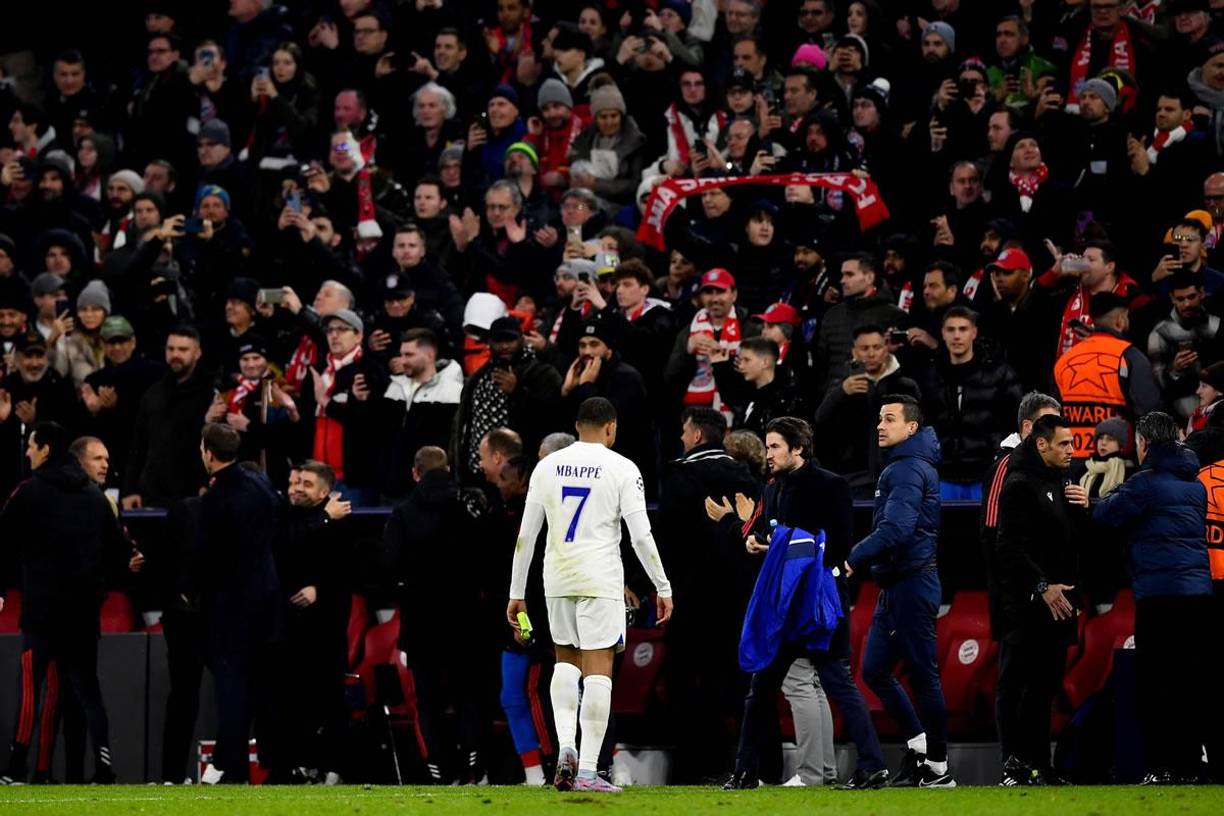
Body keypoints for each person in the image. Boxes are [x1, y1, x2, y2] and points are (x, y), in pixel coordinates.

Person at [506, 397, 673, 793]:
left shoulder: (546, 467)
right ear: (611, 427)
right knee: (599, 669)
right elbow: (640, 536)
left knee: (565, 660)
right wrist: (662, 586)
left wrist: (516, 592)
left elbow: (526, 536)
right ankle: (586, 771)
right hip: (600, 578)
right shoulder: (622, 468)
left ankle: (565, 747)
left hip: (557, 578)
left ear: (577, 425)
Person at [720, 416, 887, 791]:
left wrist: (780, 543)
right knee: (761, 687)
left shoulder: (830, 485)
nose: (768, 454)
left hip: (818, 602)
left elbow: (839, 544)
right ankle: (745, 771)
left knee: (837, 681)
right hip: (784, 604)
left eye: (775, 446)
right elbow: (771, 535)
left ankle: (874, 765)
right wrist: (756, 541)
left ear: (798, 448)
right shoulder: (773, 488)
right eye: (767, 446)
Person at [0, 422, 133, 785]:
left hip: (42, 610)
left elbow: (3, 540)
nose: (28, 452)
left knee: (31, 685)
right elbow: (118, 549)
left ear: (44, 448)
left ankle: (16, 767)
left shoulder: (29, 491)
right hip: (82, 614)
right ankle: (76, 767)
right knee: (79, 690)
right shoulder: (95, 497)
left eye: (31, 446)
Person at [1093, 411, 1212, 785]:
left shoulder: (1145, 484)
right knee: (1189, 682)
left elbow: (1106, 515)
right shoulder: (1195, 487)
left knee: (1156, 682)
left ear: (1144, 444)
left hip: (1158, 596)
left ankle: (1160, 767)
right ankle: (1189, 766)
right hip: (1196, 595)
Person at [847, 395, 954, 788]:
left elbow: (897, 529)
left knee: (923, 675)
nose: (880, 425)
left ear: (911, 428)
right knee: (875, 669)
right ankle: (921, 746)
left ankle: (939, 768)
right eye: (879, 418)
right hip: (896, 582)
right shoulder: (902, 465)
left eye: (889, 419)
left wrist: (852, 558)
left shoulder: (907, 468)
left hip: (912, 581)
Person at [658, 405, 759, 784]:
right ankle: (746, 766)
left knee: (687, 684)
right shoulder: (747, 478)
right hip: (737, 599)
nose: (682, 438)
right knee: (736, 684)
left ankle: (692, 769)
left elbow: (666, 541)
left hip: (690, 598)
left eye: (685, 431)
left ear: (697, 435)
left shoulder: (679, 477)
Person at [382, 446, 487, 785]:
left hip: (421, 622)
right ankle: (475, 766)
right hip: (467, 621)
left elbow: (391, 565)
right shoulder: (470, 507)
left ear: (416, 472)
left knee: (428, 702)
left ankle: (440, 769)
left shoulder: (403, 513)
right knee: (469, 695)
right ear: (449, 469)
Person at [993, 415, 1089, 786]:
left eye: (1071, 443)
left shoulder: (1064, 482)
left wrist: (1085, 508)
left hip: (1061, 603)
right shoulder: (1018, 484)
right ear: (1041, 444)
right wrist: (1041, 586)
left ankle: (1040, 766)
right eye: (1064, 444)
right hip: (1027, 606)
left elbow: (1075, 544)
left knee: (1045, 688)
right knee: (1018, 685)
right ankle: (1014, 766)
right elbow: (1008, 548)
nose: (1071, 450)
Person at [195, 423, 280, 784]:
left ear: (208, 453)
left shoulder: (216, 501)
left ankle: (228, 767)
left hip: (231, 607)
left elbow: (210, 559)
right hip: (266, 602)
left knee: (232, 689)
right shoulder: (258, 484)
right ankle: (234, 765)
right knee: (255, 690)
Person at [267, 460, 352, 785]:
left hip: (326, 633)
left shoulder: (342, 525)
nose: (296, 488)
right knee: (292, 703)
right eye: (295, 482)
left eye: (305, 483)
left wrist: (322, 589)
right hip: (289, 630)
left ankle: (333, 767)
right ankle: (298, 766)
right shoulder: (285, 518)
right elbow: (285, 551)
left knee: (330, 701)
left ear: (325, 491)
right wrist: (325, 517)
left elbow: (349, 573)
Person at [981, 392, 1063, 640]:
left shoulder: (1053, 469)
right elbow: (992, 534)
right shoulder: (1006, 466)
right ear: (1027, 427)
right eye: (1049, 423)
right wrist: (1017, 592)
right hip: (1016, 598)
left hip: (1049, 592)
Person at [1054, 293, 1160, 461]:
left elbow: (1054, 410)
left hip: (1070, 458)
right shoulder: (1129, 356)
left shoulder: (1065, 360)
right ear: (1121, 319)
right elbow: (1149, 410)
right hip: (1117, 463)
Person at [121, 326, 214, 509]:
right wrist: (129, 489)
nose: (175, 355)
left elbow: (216, 446)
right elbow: (138, 446)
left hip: (193, 496)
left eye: (183, 349)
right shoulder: (153, 394)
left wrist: (206, 485)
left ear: (197, 353)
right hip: (151, 495)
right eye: (171, 349)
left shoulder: (210, 395)